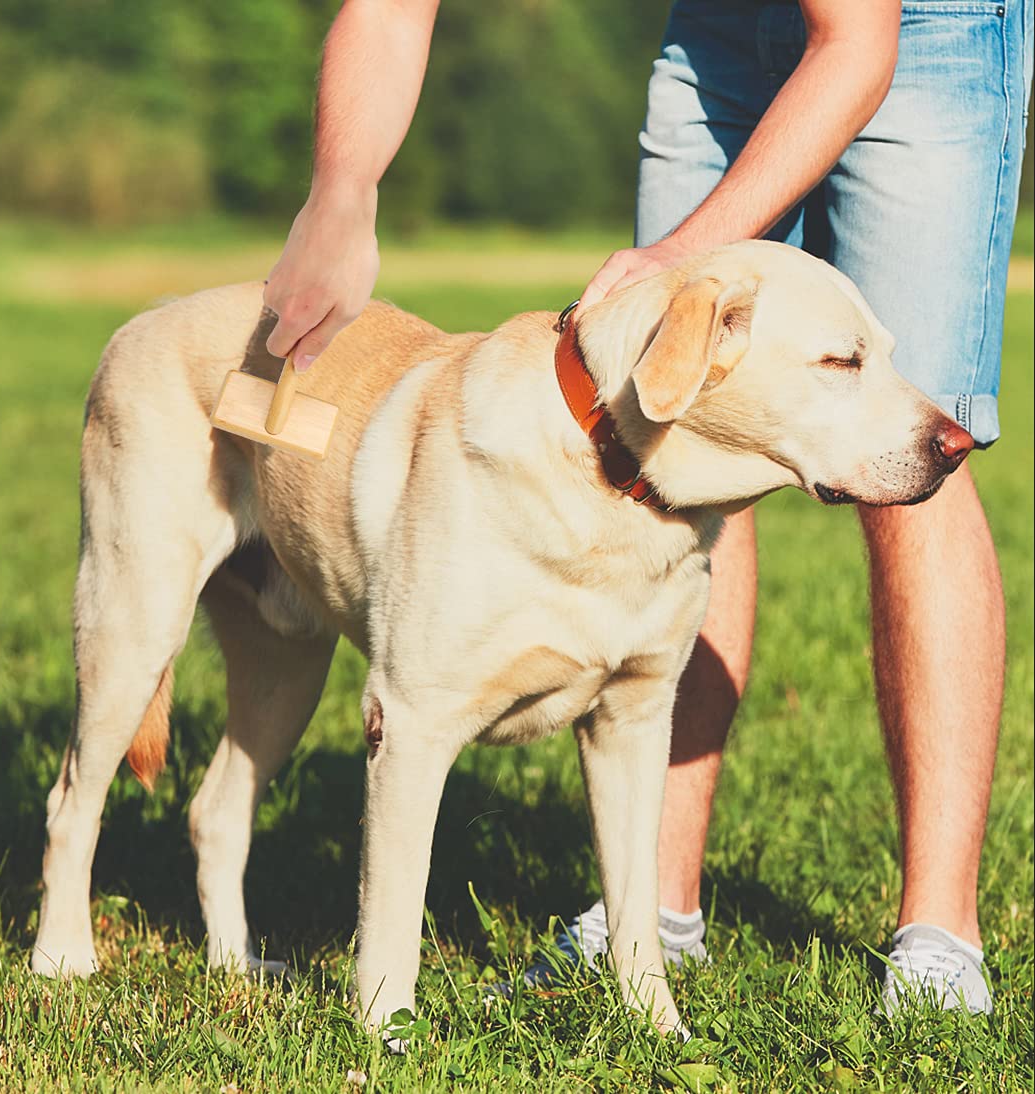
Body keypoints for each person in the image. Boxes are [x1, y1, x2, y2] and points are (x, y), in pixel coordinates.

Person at [263, 0, 1032, 1014]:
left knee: (907, 457)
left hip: (912, 30)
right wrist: (338, 193)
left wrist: (685, 259)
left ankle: (936, 937)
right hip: (718, 30)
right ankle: (654, 918)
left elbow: (855, 43)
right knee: (678, 416)